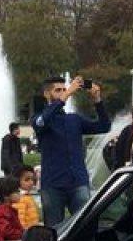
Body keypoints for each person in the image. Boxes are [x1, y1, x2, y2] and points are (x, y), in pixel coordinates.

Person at [30, 76, 112, 228]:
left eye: (64, 89)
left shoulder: (74, 119)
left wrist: (98, 101)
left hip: (78, 182)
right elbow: (42, 121)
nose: (63, 92)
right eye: (58, 90)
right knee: (53, 231)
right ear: (47, 94)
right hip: (52, 185)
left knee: (84, 228)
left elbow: (104, 126)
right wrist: (66, 95)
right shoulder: (39, 119)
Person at [0, 176, 24, 241]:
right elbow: (6, 231)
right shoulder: (3, 210)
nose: (20, 193)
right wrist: (23, 234)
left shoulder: (7, 209)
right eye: (17, 191)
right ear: (6, 195)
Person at [12, 165, 41, 229]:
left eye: (32, 179)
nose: (31, 182)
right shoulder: (19, 199)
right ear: (17, 181)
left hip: (32, 232)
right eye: (27, 180)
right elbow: (20, 219)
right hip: (26, 234)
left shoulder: (27, 196)